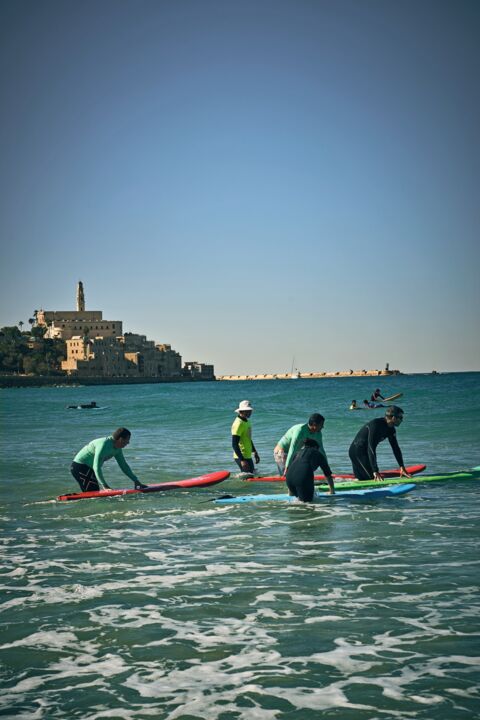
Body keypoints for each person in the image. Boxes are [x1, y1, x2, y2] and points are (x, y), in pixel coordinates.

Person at [70, 427, 147, 491]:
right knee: (93, 493)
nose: (128, 442)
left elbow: (124, 466)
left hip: (89, 468)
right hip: (79, 467)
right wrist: (105, 486)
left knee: (94, 492)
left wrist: (136, 481)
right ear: (120, 439)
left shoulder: (117, 449)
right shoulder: (104, 445)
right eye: (127, 439)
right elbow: (96, 467)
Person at [348, 405, 412, 481]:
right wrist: (375, 471)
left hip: (365, 453)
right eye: (400, 418)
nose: (402, 420)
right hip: (357, 452)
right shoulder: (376, 425)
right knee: (371, 479)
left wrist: (402, 467)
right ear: (393, 418)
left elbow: (395, 448)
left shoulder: (391, 430)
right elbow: (371, 448)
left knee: (362, 479)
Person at [231, 400, 260, 474]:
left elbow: (248, 438)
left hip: (247, 455)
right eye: (247, 411)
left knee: (251, 475)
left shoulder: (247, 421)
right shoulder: (238, 424)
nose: (249, 412)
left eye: (250, 411)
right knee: (247, 477)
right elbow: (234, 444)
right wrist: (242, 460)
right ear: (241, 411)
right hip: (241, 456)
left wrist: (254, 451)